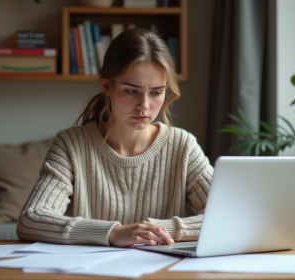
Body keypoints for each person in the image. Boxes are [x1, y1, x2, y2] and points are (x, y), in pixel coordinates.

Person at [16, 28, 214, 248]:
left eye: (157, 92)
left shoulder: (183, 146)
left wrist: (160, 230)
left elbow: (230, 215)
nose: (145, 106)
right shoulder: (71, 144)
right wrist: (113, 233)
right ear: (106, 86)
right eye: (132, 91)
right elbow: (31, 219)